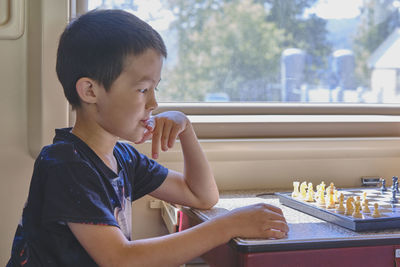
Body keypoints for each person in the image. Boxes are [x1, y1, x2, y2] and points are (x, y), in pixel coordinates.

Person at [7, 9, 288, 267]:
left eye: (155, 88)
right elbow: (120, 259)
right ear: (90, 91)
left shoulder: (122, 157)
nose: (154, 102)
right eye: (143, 90)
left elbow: (202, 196)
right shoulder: (65, 164)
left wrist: (186, 130)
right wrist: (227, 226)